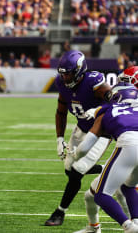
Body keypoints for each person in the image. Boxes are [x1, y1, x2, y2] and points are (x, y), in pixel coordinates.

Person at [45, 50, 112, 226]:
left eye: (68, 73)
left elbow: (116, 101)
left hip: (101, 132)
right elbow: (61, 111)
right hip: (81, 129)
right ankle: (105, 168)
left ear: (79, 70)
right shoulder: (61, 83)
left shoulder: (93, 82)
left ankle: (60, 212)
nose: (65, 78)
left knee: (77, 172)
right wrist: (59, 138)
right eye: (63, 74)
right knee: (69, 169)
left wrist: (99, 111)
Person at [75, 66, 138, 233]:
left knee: (102, 194)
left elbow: (85, 147)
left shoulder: (109, 108)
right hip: (129, 149)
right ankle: (95, 227)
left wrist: (74, 157)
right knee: (125, 187)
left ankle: (130, 226)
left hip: (129, 147)